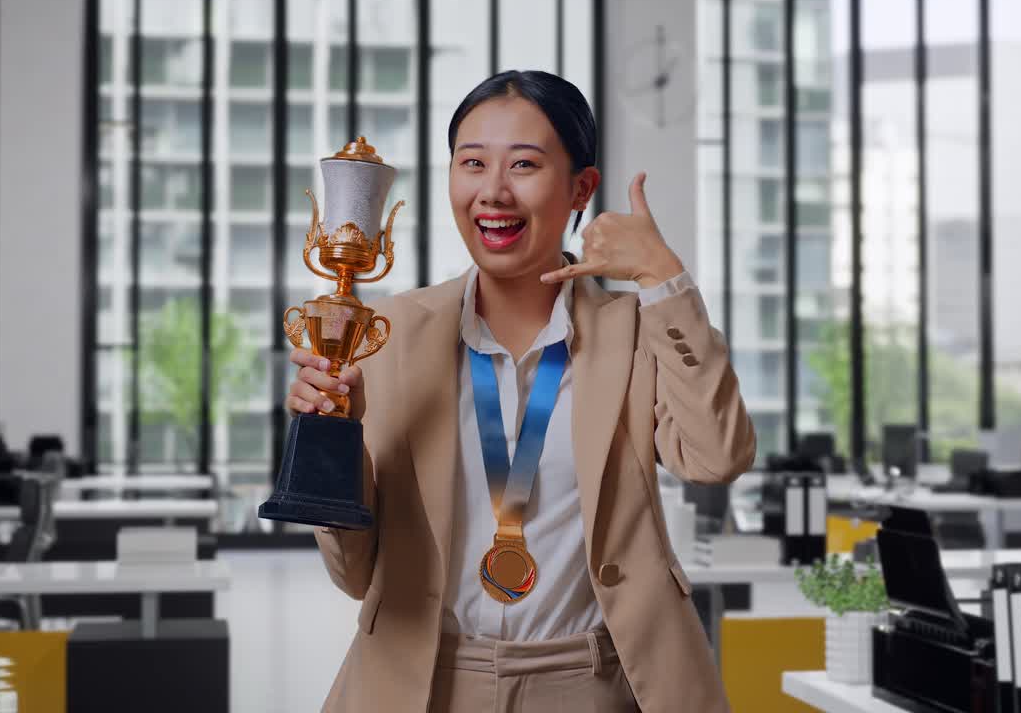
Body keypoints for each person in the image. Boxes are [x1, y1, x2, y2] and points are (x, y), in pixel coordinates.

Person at [285, 70, 757, 713]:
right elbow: (354, 572)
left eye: (525, 164)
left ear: (579, 189)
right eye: (471, 163)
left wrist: (662, 276)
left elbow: (716, 456)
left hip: (595, 682)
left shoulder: (640, 329)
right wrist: (330, 442)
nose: (493, 193)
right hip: (424, 683)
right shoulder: (386, 335)